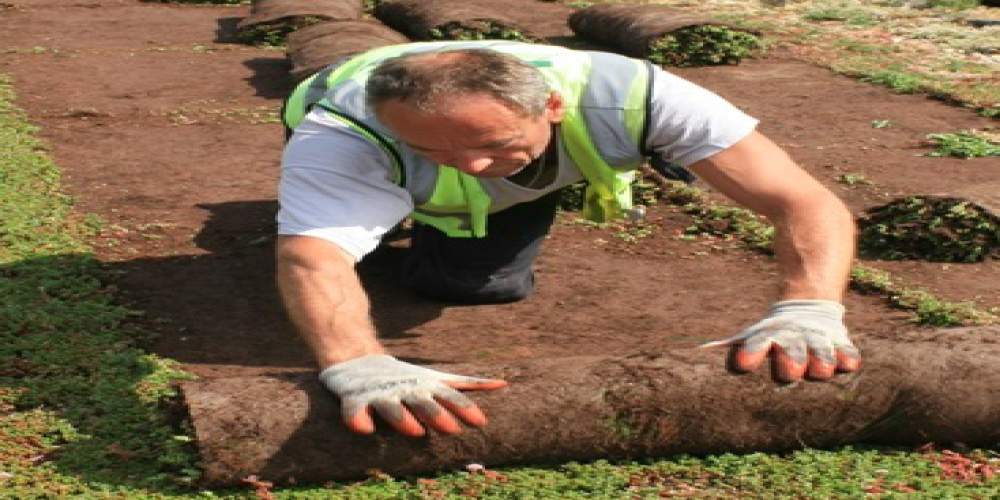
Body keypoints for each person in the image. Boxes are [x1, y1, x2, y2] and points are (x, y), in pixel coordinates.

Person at [275, 41, 860, 438]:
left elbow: (803, 201)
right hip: (348, 124)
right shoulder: (343, 129)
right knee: (334, 234)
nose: (473, 165)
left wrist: (809, 308)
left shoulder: (641, 96)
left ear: (552, 106)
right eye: (436, 148)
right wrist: (356, 361)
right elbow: (312, 256)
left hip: (518, 166)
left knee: (476, 286)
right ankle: (372, 204)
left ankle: (403, 205)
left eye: (496, 143)